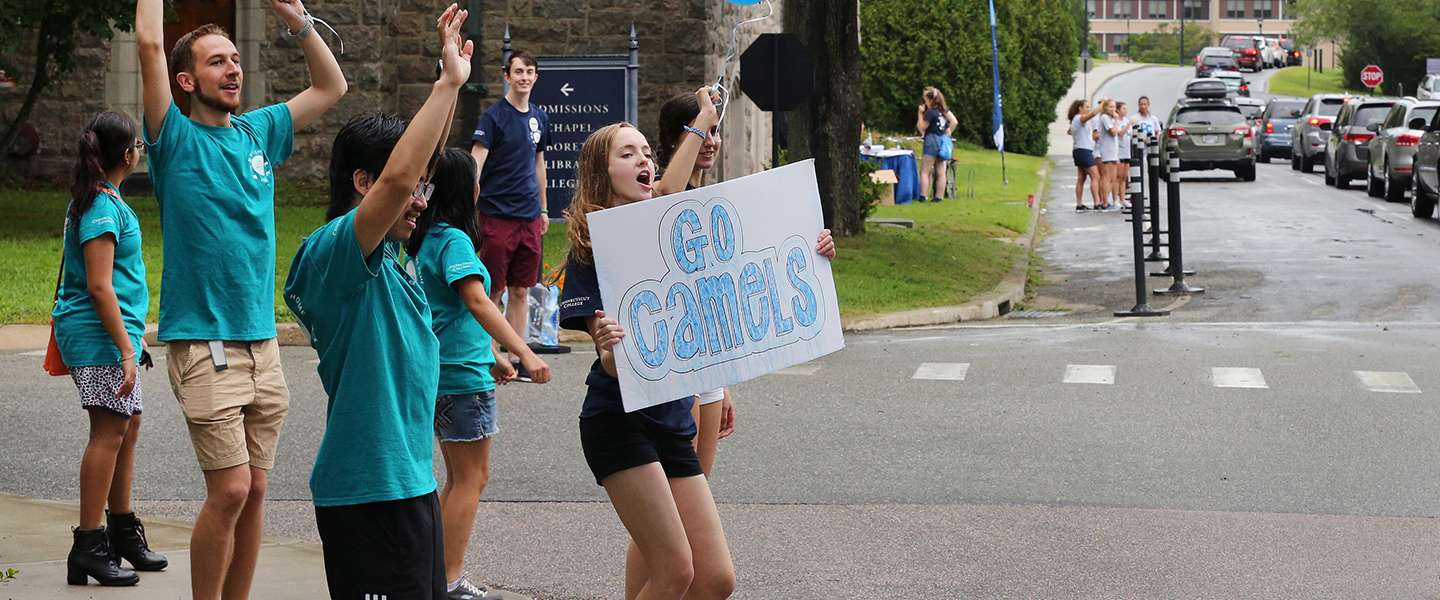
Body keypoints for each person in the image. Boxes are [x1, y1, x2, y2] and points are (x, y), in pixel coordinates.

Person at [135, 0, 345, 595]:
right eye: (215, 62)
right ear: (186, 81)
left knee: (254, 490)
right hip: (205, 342)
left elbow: (331, 85)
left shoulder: (258, 131)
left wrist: (298, 20)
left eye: (234, 59)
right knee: (228, 490)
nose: (232, 70)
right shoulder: (172, 139)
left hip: (263, 343)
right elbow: (151, 43)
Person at [283, 7, 471, 599]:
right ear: (364, 183)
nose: (420, 200)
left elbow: (414, 170)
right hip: (369, 496)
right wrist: (446, 85)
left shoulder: (392, 261)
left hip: (409, 486)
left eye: (425, 188)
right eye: (411, 186)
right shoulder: (334, 256)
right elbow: (398, 182)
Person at [404, 147, 553, 600]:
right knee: (472, 478)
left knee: (456, 478)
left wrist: (492, 353)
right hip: (460, 378)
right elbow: (475, 300)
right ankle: (447, 581)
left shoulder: (424, 239)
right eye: (475, 178)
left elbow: (450, 310)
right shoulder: (453, 241)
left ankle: (437, 577)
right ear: (465, 189)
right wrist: (525, 351)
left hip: (445, 368)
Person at [54, 111, 167, 587]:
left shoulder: (103, 200)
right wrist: (124, 348)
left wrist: (133, 337)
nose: (141, 150)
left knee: (127, 424)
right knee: (108, 432)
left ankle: (119, 531)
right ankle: (88, 544)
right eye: (139, 145)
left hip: (113, 332)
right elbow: (99, 287)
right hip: (99, 334)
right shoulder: (102, 206)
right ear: (127, 154)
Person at [470, 49, 551, 375]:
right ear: (507, 76)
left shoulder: (540, 118)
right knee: (494, 289)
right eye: (518, 71)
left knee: (521, 289)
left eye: (530, 71)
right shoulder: (493, 118)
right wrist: (467, 203)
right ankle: (489, 354)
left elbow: (539, 164)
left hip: (530, 216)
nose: (524, 77)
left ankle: (517, 355)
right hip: (497, 214)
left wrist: (544, 208)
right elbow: (475, 164)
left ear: (535, 76)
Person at [916, 87, 957, 202]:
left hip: (931, 140)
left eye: (925, 99)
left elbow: (922, 127)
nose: (924, 102)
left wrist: (920, 114)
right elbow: (948, 129)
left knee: (925, 171)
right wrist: (947, 135)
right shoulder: (942, 112)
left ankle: (923, 196)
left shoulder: (931, 113)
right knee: (941, 172)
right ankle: (939, 197)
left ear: (931, 100)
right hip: (942, 140)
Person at [1067, 98, 1105, 211]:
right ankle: (1097, 203)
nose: (1089, 109)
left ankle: (1079, 204)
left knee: (1081, 178)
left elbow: (1070, 131)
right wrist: (1102, 104)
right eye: (1087, 107)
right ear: (1080, 108)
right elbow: (1093, 114)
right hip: (1084, 151)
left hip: (1079, 150)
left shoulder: (1075, 120)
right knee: (1096, 176)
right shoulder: (1079, 118)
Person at [1095, 99, 1124, 211]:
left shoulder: (1110, 118)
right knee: (1107, 177)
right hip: (1107, 150)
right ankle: (1105, 202)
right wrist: (1116, 119)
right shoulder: (1105, 118)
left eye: (1114, 107)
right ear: (1106, 107)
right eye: (1110, 107)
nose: (1113, 109)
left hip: (1113, 151)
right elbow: (1113, 131)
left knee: (1113, 177)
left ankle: (1108, 201)